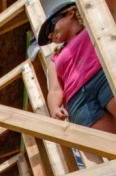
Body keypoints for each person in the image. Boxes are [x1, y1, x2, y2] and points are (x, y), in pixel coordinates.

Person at [39, 1, 116, 133]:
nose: (51, 36)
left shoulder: (94, 24)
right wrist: (54, 109)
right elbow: (55, 90)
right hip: (77, 101)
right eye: (49, 37)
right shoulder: (55, 57)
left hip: (103, 78)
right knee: (109, 145)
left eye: (51, 28)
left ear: (70, 13)